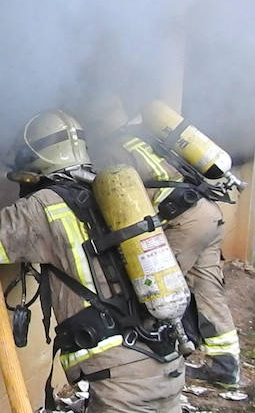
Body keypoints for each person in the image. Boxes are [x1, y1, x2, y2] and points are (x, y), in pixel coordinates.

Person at [0, 111, 208, 413]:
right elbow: (11, 227)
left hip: (123, 374)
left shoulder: (46, 205)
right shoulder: (106, 192)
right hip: (166, 355)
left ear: (35, 161)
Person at [87, 95, 240, 388]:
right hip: (208, 213)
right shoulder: (146, 137)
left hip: (183, 224)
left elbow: (111, 199)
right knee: (208, 287)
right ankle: (226, 365)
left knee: (155, 292)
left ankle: (156, 363)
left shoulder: (110, 149)